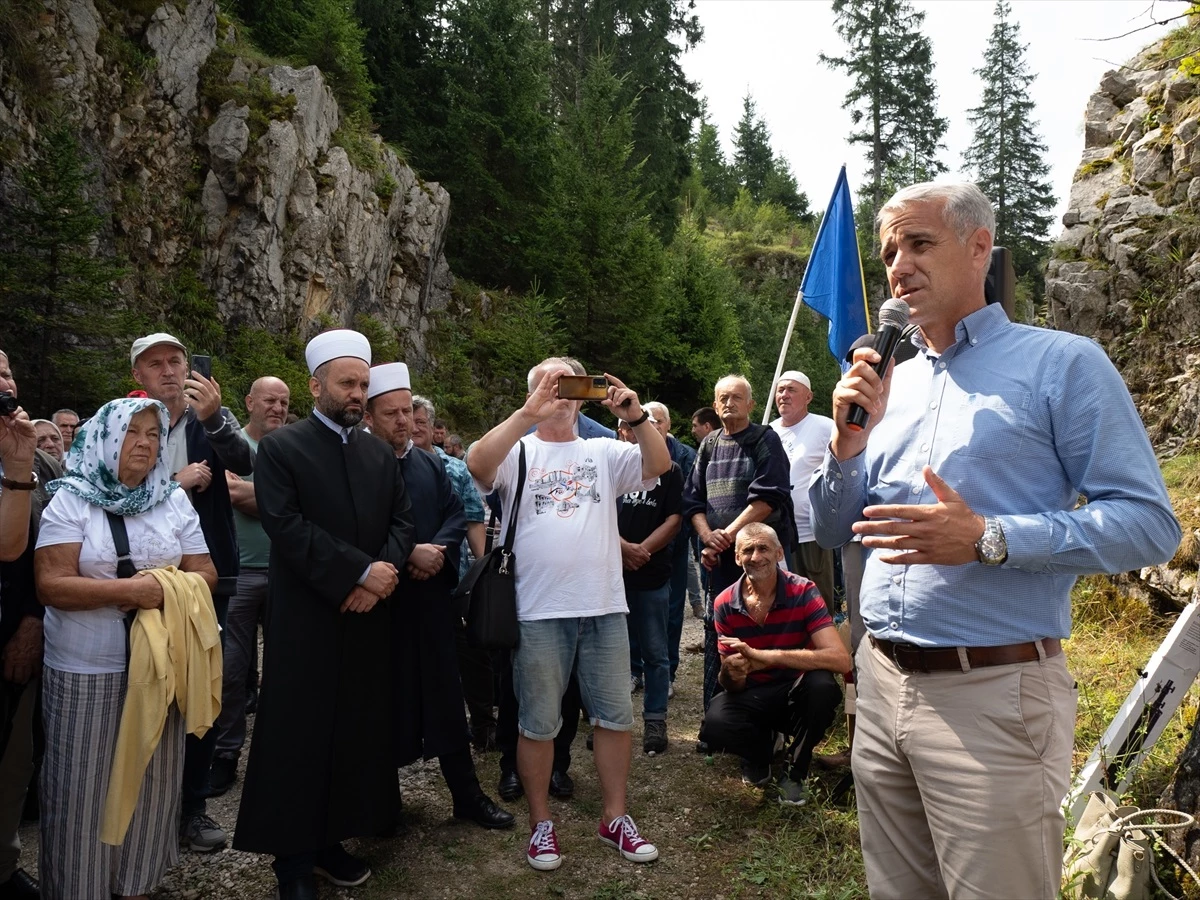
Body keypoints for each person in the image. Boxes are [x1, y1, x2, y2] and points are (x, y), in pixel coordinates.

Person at [810, 182, 1182, 900]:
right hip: (881, 687)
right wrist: (847, 448)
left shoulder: (1063, 365)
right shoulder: (891, 385)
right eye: (890, 251)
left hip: (993, 697)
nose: (899, 266)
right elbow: (832, 530)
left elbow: (1148, 525)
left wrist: (988, 538)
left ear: (979, 247)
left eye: (919, 243)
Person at [233, 330, 415, 900]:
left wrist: (379, 577)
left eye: (363, 383)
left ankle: (334, 838)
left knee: (355, 730)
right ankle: (292, 860)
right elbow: (286, 528)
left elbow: (402, 524)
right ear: (316, 386)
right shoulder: (283, 450)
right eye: (347, 383)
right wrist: (360, 573)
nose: (358, 392)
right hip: (307, 620)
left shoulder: (378, 453)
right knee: (299, 734)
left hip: (365, 618)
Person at [469, 360, 670, 872]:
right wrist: (527, 411)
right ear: (532, 388)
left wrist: (637, 414)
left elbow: (660, 464)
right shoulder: (519, 449)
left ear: (585, 394)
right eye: (547, 381)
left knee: (615, 719)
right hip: (539, 611)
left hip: (603, 605)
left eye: (568, 382)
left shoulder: (601, 450)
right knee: (537, 724)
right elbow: (476, 464)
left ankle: (615, 818)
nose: (558, 391)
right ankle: (541, 826)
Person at [34, 398, 218, 899]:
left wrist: (167, 588)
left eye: (154, 434)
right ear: (106, 439)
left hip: (162, 666)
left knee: (154, 788)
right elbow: (51, 585)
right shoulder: (71, 500)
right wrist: (132, 593)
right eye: (132, 432)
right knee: (81, 791)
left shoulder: (171, 498)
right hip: (85, 668)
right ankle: (79, 888)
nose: (144, 443)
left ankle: (135, 886)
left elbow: (205, 572)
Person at [363, 367, 513, 830]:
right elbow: (353, 529)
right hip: (380, 606)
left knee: (447, 697)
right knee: (382, 703)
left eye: (408, 411)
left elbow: (455, 512)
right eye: (391, 413)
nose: (403, 421)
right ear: (369, 416)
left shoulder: (429, 463)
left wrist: (436, 552)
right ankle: (381, 804)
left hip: (430, 601)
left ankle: (466, 795)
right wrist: (410, 552)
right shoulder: (358, 464)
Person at [129, 332, 253, 852]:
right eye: (154, 364)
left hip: (207, 576)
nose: (169, 371)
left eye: (175, 361)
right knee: (143, 684)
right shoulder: (124, 422)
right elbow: (111, 486)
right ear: (138, 375)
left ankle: (193, 808)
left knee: (202, 686)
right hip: (142, 577)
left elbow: (244, 464)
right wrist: (173, 483)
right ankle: (140, 804)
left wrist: (216, 417)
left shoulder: (211, 420)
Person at [700, 523, 847, 805]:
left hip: (796, 687)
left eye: (764, 548)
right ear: (736, 558)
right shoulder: (724, 603)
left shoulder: (804, 591)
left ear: (780, 553)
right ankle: (760, 753)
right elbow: (731, 683)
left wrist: (768, 657)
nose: (756, 556)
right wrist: (732, 672)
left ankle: (795, 770)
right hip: (754, 692)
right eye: (748, 550)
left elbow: (839, 658)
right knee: (715, 724)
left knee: (823, 688)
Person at [683, 375, 792, 717]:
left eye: (736, 397)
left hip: (757, 557)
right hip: (719, 558)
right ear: (715, 406)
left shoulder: (765, 440)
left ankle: (763, 719)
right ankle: (716, 717)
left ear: (751, 405)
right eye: (722, 398)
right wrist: (707, 537)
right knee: (718, 632)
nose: (729, 403)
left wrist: (725, 535)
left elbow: (768, 497)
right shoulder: (710, 444)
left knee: (762, 627)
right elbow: (692, 499)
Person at [208, 376, 290, 796]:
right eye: (269, 401)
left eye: (283, 401)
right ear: (250, 402)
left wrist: (256, 495)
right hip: (238, 575)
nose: (277, 408)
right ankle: (226, 754)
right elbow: (231, 492)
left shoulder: (291, 447)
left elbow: (295, 503)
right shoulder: (230, 444)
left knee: (285, 670)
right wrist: (277, 501)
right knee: (230, 671)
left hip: (286, 574)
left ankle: (277, 755)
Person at [410, 397, 493, 749]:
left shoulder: (455, 469)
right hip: (408, 578)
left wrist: (481, 570)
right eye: (407, 419)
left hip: (455, 579)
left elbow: (473, 518)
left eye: (420, 421)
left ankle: (484, 722)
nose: (413, 427)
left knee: (471, 654)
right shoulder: (384, 464)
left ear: (432, 428)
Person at [616, 416, 682, 753]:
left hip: (651, 573)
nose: (642, 430)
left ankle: (655, 720)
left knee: (656, 653)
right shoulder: (608, 464)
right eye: (630, 426)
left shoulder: (671, 471)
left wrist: (642, 550)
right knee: (611, 652)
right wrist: (623, 548)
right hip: (611, 575)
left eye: (652, 424)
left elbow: (674, 519)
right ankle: (610, 722)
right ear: (621, 432)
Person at [0, 353, 40, 899]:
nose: (3, 384)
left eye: (6, 372)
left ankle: (3, 869)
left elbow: (28, 551)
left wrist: (32, 621)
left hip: (13, 629)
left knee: (13, 762)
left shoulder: (27, 457)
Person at [638, 402, 694, 699]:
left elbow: (688, 502)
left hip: (674, 544)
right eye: (647, 421)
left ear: (668, 424)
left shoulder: (685, 456)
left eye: (657, 421)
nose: (653, 426)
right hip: (632, 547)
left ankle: (667, 671)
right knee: (631, 610)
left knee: (672, 609)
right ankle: (635, 670)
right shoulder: (629, 452)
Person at [769, 371, 836, 608]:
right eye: (780, 390)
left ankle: (826, 645)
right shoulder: (768, 431)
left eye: (791, 390)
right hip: (775, 533)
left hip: (810, 532)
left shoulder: (825, 427)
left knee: (816, 601)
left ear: (808, 397)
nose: (784, 395)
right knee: (783, 600)